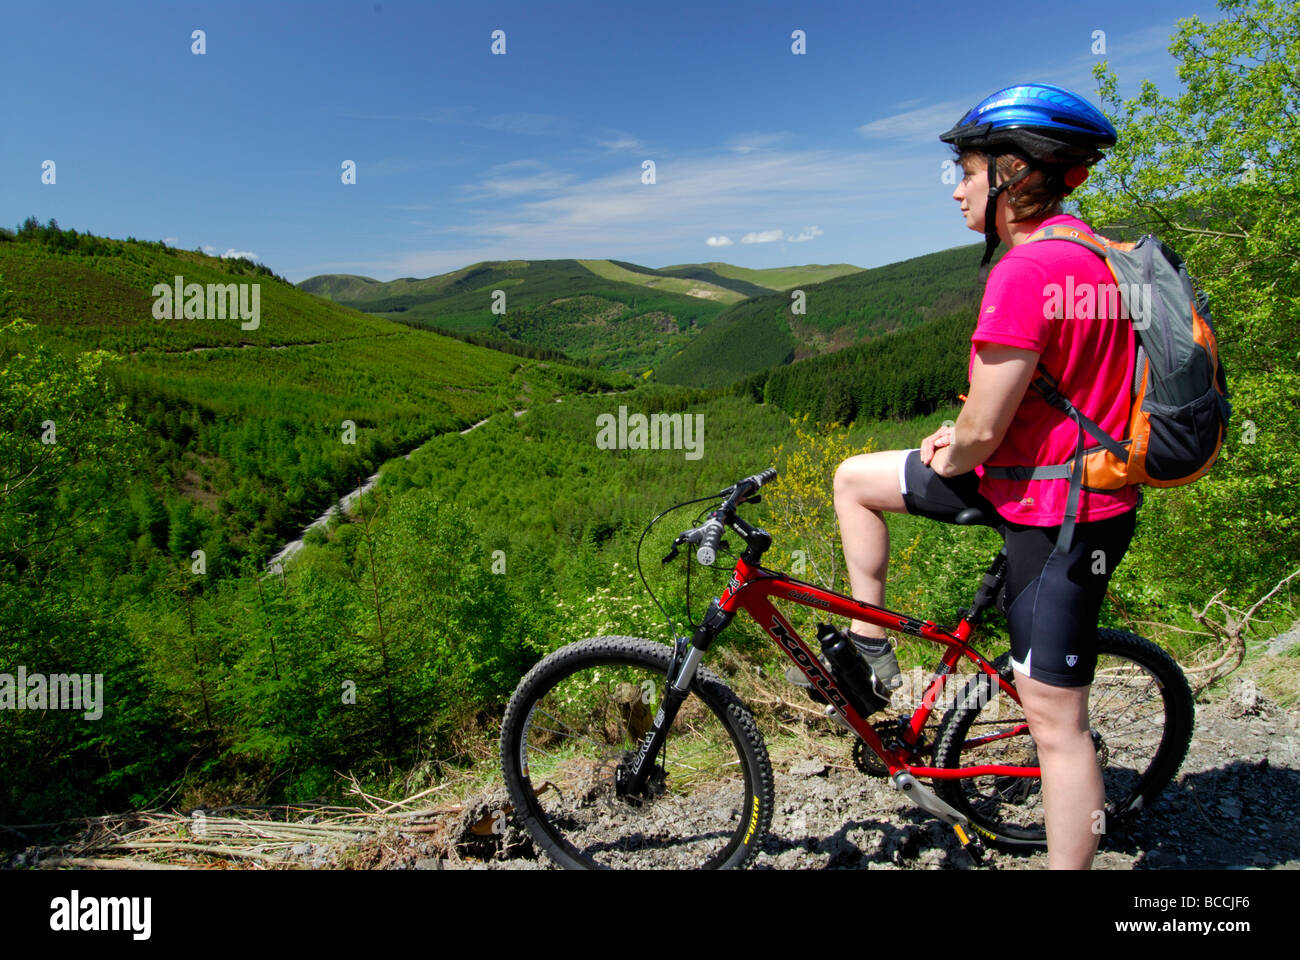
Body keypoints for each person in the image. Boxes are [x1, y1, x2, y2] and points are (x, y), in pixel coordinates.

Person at [830, 83, 1139, 869]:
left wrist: (959, 444)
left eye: (967, 171)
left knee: (1058, 730)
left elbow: (985, 430)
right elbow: (1053, 390)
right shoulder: (1099, 256)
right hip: (1031, 478)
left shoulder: (1027, 272)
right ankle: (871, 648)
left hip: (1061, 516)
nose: (958, 189)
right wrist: (966, 436)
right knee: (854, 478)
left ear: (1016, 173)